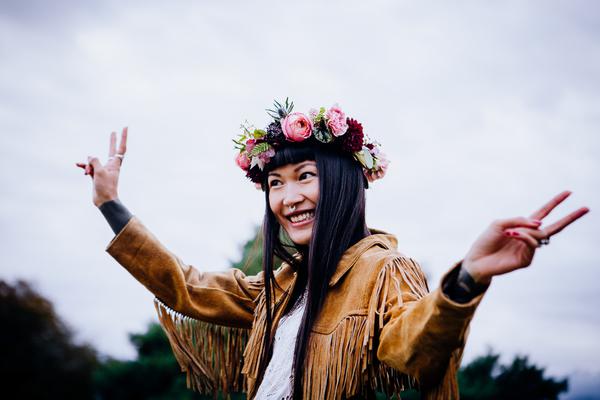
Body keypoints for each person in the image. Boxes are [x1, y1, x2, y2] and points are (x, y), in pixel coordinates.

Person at [77, 100, 588, 400]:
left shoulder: (385, 269)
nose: (289, 197)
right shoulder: (276, 289)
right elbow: (185, 286)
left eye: (305, 177)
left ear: (345, 185)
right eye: (275, 183)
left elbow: (414, 345)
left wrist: (469, 275)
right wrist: (110, 203)